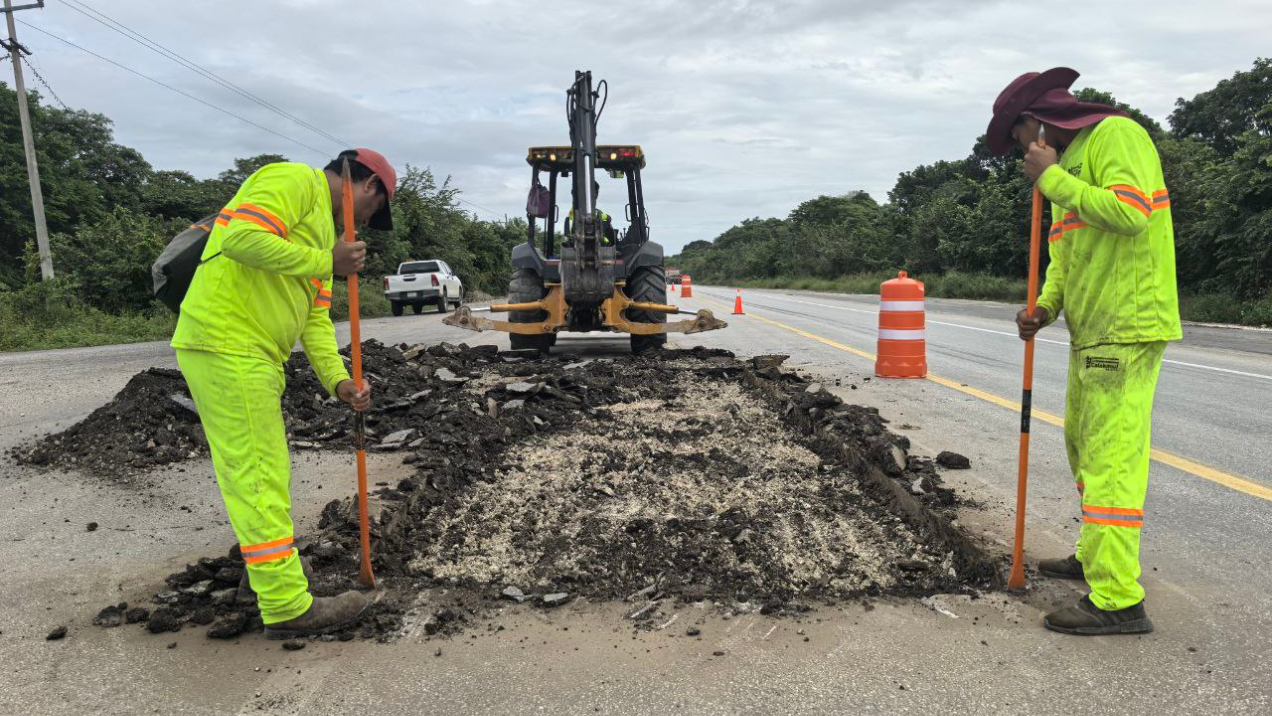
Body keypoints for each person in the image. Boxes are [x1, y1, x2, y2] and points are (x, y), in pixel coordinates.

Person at [171, 148, 397, 638]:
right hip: (228, 344)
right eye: (372, 212)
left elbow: (315, 321)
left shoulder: (320, 230)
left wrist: (340, 381)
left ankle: (264, 577)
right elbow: (238, 239)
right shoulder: (293, 182)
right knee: (258, 473)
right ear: (368, 187)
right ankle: (287, 606)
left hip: (252, 353)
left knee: (262, 469)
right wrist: (326, 260)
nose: (363, 223)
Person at [988, 68, 1181, 635]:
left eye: (1017, 137)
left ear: (1035, 121)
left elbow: (1130, 213)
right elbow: (1064, 257)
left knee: (1111, 461)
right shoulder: (1065, 171)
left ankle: (1119, 599)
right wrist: (1044, 308)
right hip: (1091, 327)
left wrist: (1051, 180)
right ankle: (1094, 555)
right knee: (1082, 447)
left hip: (1127, 322)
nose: (1020, 151)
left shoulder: (1117, 136)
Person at [563, 179, 616, 244]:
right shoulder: (579, 207)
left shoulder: (577, 207)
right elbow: (589, 217)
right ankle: (612, 245)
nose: (597, 195)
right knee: (605, 224)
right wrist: (606, 217)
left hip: (587, 238)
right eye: (596, 192)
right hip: (581, 239)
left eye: (597, 192)